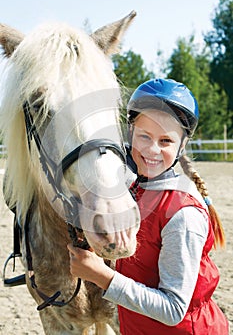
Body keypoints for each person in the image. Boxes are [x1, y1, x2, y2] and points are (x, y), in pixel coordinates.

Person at [67, 78, 229, 334]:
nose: (152, 149)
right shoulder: (133, 187)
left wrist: (102, 276)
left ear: (182, 146)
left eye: (165, 141)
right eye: (145, 136)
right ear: (130, 134)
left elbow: (174, 309)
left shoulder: (183, 215)